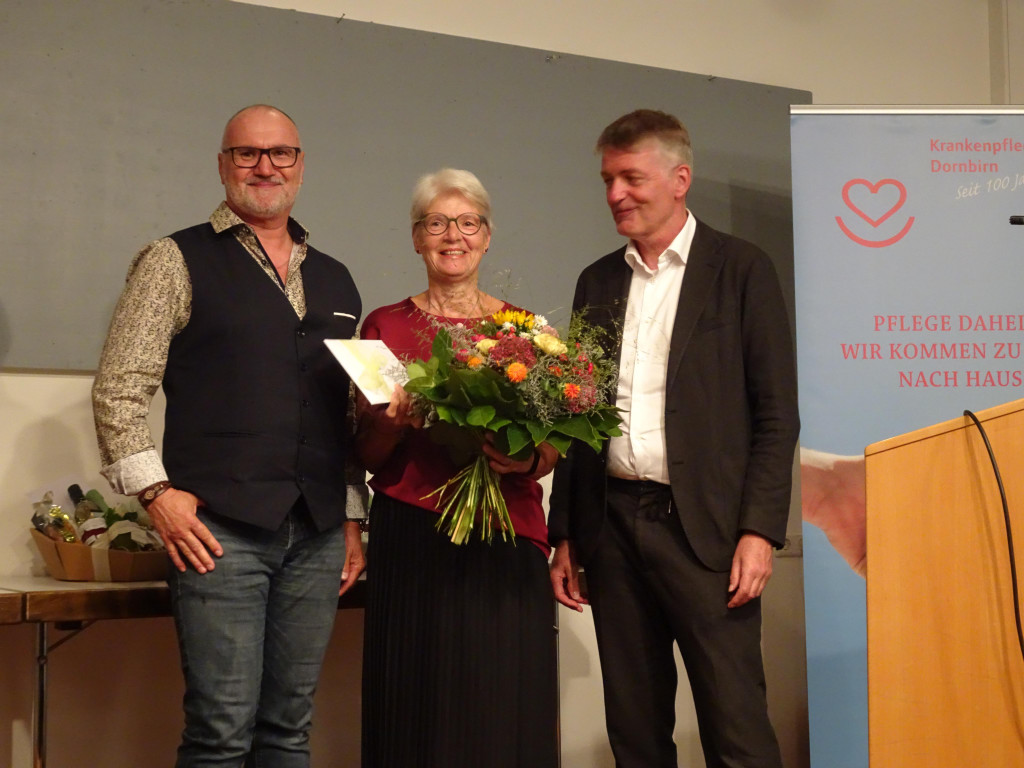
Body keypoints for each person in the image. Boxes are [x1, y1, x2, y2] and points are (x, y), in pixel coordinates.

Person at [92, 104, 365, 767]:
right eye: (247, 153)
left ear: (301, 166)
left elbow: (344, 416)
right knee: (220, 734)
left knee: (289, 731)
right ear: (223, 165)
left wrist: (352, 516)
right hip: (220, 533)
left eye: (280, 153)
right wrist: (156, 494)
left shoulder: (336, 277)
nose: (265, 166)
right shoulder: (173, 260)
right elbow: (119, 388)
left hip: (319, 534)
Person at [549, 109, 800, 768]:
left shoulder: (742, 269)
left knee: (736, 728)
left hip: (709, 534)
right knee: (635, 732)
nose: (615, 194)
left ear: (680, 178)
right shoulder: (596, 281)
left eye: (631, 178)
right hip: (611, 529)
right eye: (608, 179)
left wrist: (760, 530)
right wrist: (565, 532)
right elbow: (579, 414)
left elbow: (777, 414)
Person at [356, 168, 560, 768]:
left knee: (500, 700)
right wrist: (391, 424)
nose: (454, 236)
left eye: (468, 223)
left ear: (487, 237)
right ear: (416, 238)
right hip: (412, 535)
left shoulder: (527, 332)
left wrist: (527, 457)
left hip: (505, 532)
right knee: (416, 700)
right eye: (437, 223)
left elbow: (552, 448)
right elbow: (366, 454)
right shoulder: (383, 327)